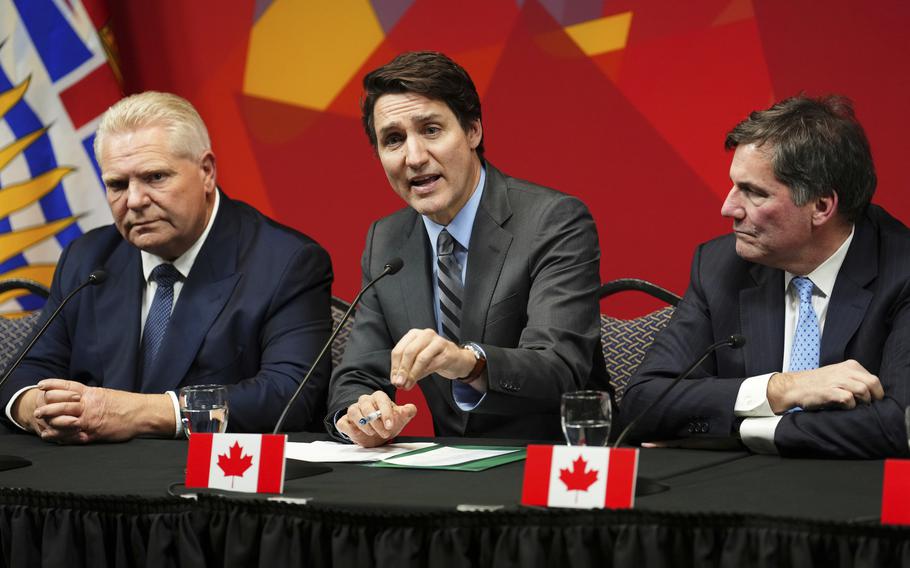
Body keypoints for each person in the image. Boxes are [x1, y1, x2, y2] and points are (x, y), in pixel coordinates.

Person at [0, 91, 333, 443]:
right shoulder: (88, 258)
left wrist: (138, 412)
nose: (135, 200)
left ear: (207, 172)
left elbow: (288, 396)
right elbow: (22, 376)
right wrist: (42, 408)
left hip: (209, 484)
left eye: (155, 177)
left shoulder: (286, 262)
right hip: (91, 477)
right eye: (117, 184)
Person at [327, 51, 606, 447]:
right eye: (393, 140)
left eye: (431, 130)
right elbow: (358, 373)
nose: (414, 157)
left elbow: (559, 367)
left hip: (555, 464)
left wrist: (467, 362)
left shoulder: (553, 221)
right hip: (451, 471)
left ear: (473, 130)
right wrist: (358, 413)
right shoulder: (386, 240)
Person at [621, 95, 910, 458]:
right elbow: (642, 402)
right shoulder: (719, 266)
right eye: (734, 185)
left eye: (753, 193)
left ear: (821, 206)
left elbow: (900, 425)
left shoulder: (901, 271)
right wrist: (778, 390)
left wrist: (743, 432)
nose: (728, 208)